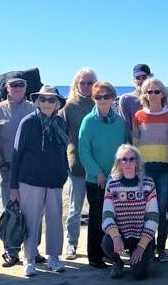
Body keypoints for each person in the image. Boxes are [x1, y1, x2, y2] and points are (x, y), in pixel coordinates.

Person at [10, 85, 69, 277]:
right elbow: (16, 154)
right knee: (31, 220)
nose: (47, 103)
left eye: (51, 100)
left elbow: (63, 151)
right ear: (37, 101)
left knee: (54, 220)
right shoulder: (28, 122)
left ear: (57, 103)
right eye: (43, 99)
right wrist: (13, 186)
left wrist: (63, 174)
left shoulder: (60, 123)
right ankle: (29, 259)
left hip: (54, 180)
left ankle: (53, 257)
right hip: (30, 180)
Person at [0, 78, 46, 267]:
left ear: (26, 88)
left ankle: (33, 250)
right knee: (11, 211)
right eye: (14, 85)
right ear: (7, 88)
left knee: (34, 211)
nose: (18, 88)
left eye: (21, 85)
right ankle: (11, 252)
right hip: (8, 168)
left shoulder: (34, 108)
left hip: (32, 169)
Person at [79, 81, 128, 269]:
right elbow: (84, 151)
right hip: (96, 180)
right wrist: (98, 173)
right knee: (97, 217)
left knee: (114, 218)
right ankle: (95, 257)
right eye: (98, 96)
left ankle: (110, 253)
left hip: (117, 179)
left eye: (106, 96)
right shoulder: (88, 121)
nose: (103, 100)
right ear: (93, 98)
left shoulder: (119, 122)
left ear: (113, 98)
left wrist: (122, 172)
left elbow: (125, 147)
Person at [133, 78, 168, 261]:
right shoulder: (138, 115)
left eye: (156, 91)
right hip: (145, 169)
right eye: (149, 92)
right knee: (145, 210)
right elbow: (134, 144)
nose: (153, 95)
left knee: (162, 209)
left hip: (165, 168)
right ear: (144, 95)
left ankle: (162, 248)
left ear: (163, 94)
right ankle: (147, 248)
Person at [102, 144, 159, 280]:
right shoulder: (112, 185)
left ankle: (145, 257)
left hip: (141, 236)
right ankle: (117, 262)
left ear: (137, 162)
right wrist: (116, 236)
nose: (128, 163)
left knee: (139, 275)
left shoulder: (148, 184)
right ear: (119, 163)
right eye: (124, 159)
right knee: (107, 243)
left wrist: (141, 246)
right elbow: (107, 215)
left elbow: (153, 218)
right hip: (122, 234)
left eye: (131, 159)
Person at [58, 68, 97, 260]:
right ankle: (71, 244)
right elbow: (61, 135)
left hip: (100, 166)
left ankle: (101, 246)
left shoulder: (101, 104)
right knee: (75, 208)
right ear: (76, 84)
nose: (87, 86)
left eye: (90, 83)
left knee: (100, 208)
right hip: (78, 165)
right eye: (83, 83)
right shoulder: (69, 106)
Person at [118, 64, 153, 137]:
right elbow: (125, 127)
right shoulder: (126, 99)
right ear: (134, 79)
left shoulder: (157, 97)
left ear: (150, 77)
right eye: (138, 78)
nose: (141, 81)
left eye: (144, 77)